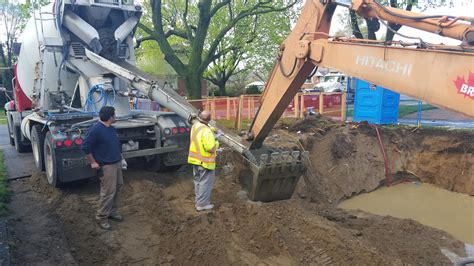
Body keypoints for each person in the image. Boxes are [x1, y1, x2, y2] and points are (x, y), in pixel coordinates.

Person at [81, 106, 124, 230]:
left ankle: (112, 211)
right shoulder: (96, 130)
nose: (116, 116)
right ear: (110, 117)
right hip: (106, 166)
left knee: (118, 187)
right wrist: (93, 162)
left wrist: (122, 159)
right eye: (114, 114)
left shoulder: (111, 129)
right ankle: (101, 217)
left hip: (116, 163)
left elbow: (116, 145)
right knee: (108, 191)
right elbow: (85, 147)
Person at [188, 111, 220, 211]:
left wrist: (213, 130)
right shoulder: (207, 132)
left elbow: (203, 130)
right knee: (205, 183)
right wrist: (216, 141)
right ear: (209, 120)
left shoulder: (196, 126)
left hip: (195, 160)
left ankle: (199, 201)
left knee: (198, 181)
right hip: (205, 162)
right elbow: (211, 148)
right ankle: (202, 205)